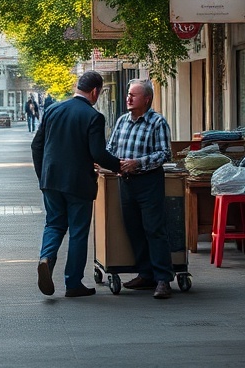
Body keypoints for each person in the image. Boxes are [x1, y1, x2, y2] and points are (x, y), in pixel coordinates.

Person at [31, 70, 121, 298]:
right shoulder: (93, 116)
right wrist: (121, 166)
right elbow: (98, 153)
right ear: (95, 91)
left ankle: (46, 259)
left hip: (50, 181)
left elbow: (36, 146)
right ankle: (73, 283)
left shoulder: (52, 110)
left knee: (54, 224)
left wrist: (43, 176)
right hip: (78, 184)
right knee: (78, 232)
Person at [106, 78, 173, 299]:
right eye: (128, 94)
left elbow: (164, 154)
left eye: (133, 95)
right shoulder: (122, 121)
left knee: (154, 229)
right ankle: (146, 274)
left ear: (147, 99)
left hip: (148, 181)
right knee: (133, 228)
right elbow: (111, 147)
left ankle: (163, 279)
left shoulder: (157, 122)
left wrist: (138, 163)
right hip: (126, 182)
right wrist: (111, 163)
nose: (128, 98)